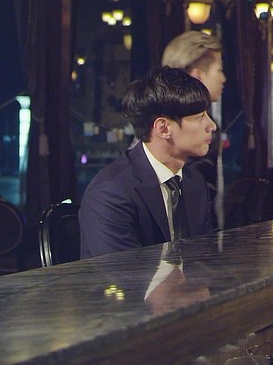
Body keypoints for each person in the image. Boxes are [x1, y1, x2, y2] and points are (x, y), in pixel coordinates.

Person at [80, 67, 217, 258]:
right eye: (199, 117)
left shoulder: (194, 182)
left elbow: (206, 259)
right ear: (163, 128)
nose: (212, 126)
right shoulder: (111, 192)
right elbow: (122, 271)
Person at [161, 31, 227, 227]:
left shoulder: (205, 124)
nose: (223, 78)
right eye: (219, 70)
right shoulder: (189, 129)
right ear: (198, 75)